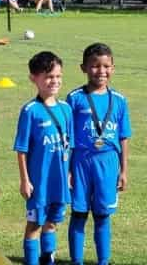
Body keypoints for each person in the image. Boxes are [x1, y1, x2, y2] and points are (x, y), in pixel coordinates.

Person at [67, 43, 131, 265]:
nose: (101, 71)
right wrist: (68, 169)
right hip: (81, 163)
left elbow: (123, 137)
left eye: (106, 66)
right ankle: (77, 261)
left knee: (103, 215)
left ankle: (103, 261)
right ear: (83, 68)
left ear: (113, 68)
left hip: (109, 163)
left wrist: (124, 170)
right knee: (79, 214)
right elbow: (69, 137)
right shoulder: (74, 98)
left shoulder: (120, 100)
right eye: (94, 66)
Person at [13, 51, 74, 265]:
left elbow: (70, 145)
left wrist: (69, 173)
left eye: (58, 76)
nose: (54, 81)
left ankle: (48, 260)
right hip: (39, 182)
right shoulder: (30, 111)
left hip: (59, 181)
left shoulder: (66, 108)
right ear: (34, 78)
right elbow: (21, 149)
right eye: (48, 77)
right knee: (35, 225)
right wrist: (25, 179)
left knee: (52, 224)